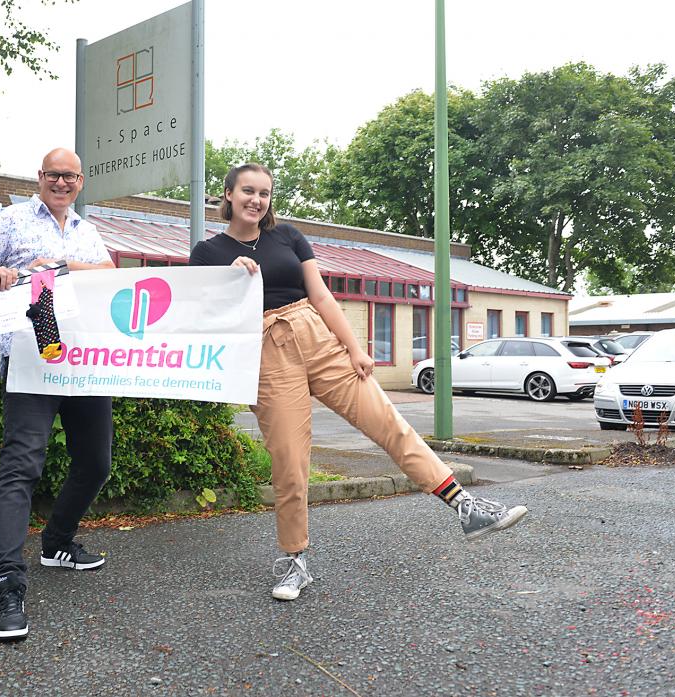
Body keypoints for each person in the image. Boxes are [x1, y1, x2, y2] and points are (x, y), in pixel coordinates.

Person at [189, 163, 527, 602]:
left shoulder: (288, 237)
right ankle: (295, 561)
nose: (257, 200)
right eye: (248, 191)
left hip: (316, 337)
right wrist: (228, 280)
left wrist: (355, 347)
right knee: (289, 462)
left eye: (265, 193)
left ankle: (467, 507)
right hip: (264, 355)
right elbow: (200, 317)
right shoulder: (207, 252)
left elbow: (321, 295)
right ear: (229, 195)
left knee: (387, 421)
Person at [0, 147, 116, 641]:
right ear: (40, 177)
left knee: (96, 462)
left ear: (81, 182)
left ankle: (58, 542)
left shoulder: (86, 233)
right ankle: (7, 586)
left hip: (84, 364)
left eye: (70, 177)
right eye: (53, 175)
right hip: (30, 362)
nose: (61, 183)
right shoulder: (10, 222)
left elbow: (112, 277)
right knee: (21, 468)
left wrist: (64, 266)